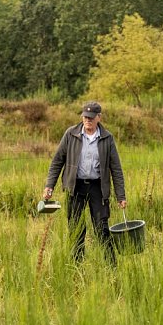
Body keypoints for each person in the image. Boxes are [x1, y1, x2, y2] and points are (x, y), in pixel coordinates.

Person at [43, 101, 127, 263]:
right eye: (85, 117)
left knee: (101, 228)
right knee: (76, 228)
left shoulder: (107, 138)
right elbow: (57, 161)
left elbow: (116, 169)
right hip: (75, 187)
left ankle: (111, 266)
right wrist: (49, 185)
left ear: (98, 118)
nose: (87, 120)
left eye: (91, 117)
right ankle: (77, 266)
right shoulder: (71, 134)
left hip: (97, 188)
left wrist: (120, 196)